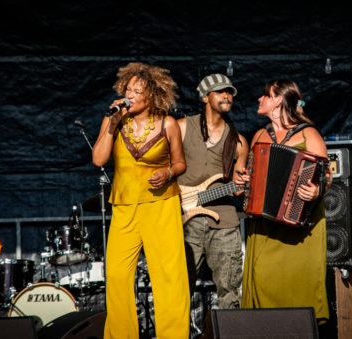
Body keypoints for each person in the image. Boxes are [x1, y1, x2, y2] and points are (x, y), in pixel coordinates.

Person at [93, 62, 190, 338]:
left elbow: (181, 163)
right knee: (118, 276)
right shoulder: (113, 121)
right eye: (128, 89)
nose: (130, 95)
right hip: (124, 207)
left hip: (161, 205)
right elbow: (98, 159)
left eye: (137, 91)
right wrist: (111, 122)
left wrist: (169, 172)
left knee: (169, 277)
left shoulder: (167, 123)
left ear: (153, 96)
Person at [235, 80, 331, 323]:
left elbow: (326, 175)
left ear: (278, 100)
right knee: (264, 278)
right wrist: (245, 181)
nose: (259, 99)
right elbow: (252, 174)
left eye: (264, 95)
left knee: (297, 286)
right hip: (265, 226)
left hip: (299, 229)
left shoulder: (308, 134)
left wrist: (315, 191)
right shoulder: (259, 135)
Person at [177, 73, 248, 309]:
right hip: (186, 221)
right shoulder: (182, 127)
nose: (227, 95)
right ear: (205, 97)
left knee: (229, 291)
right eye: (220, 91)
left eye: (229, 92)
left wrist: (245, 184)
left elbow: (238, 189)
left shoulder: (238, 141)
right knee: (179, 288)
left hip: (224, 223)